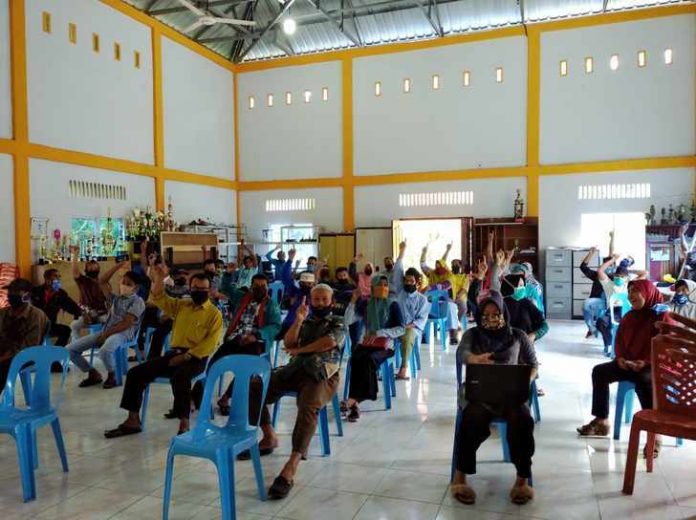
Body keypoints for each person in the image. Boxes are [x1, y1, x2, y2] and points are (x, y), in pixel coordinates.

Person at [245, 284, 345, 499]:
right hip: (296, 369)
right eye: (315, 299)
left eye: (323, 300)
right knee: (255, 385)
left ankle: (292, 464)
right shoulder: (305, 320)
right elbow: (289, 342)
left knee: (308, 405)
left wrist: (299, 350)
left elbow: (328, 342)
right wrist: (298, 321)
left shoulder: (338, 321)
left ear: (331, 301)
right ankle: (269, 435)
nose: (319, 303)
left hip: (322, 374)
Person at [104, 267, 223, 437]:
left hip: (196, 358)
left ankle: (184, 421)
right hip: (174, 354)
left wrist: (186, 356)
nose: (200, 292)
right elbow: (158, 297)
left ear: (209, 290)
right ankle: (132, 420)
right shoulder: (182, 305)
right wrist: (159, 276)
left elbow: (210, 343)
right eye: (196, 288)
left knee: (180, 377)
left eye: (204, 289)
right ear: (190, 288)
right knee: (135, 373)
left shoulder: (214, 314)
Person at [451, 291, 537, 506]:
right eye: (486, 313)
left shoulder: (518, 336)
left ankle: (521, 481)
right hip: (480, 396)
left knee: (523, 420)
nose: (490, 317)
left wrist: (524, 380)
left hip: (512, 396)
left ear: (503, 313)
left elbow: (533, 365)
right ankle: (460, 478)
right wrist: (474, 359)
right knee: (471, 419)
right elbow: (462, 353)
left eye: (495, 313)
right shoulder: (473, 334)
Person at [577, 280, 671, 458]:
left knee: (644, 380)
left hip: (655, 366)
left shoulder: (661, 316)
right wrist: (620, 358)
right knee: (599, 371)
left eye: (636, 291)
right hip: (629, 363)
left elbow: (666, 348)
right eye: (629, 292)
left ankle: (655, 433)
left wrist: (646, 362)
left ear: (648, 293)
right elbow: (619, 341)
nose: (631, 296)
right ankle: (602, 420)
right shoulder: (630, 316)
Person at [197, 274, 281, 414]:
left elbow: (275, 326)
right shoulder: (243, 297)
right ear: (251, 287)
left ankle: (226, 397)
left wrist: (256, 335)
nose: (260, 289)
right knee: (212, 364)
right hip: (235, 338)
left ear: (267, 287)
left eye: (263, 286)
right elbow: (226, 288)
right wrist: (229, 274)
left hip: (255, 341)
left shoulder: (271, 305)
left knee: (246, 369)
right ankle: (198, 396)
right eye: (256, 286)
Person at [67, 271, 146, 389]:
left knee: (104, 351)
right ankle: (93, 373)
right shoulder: (116, 299)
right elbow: (102, 281)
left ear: (136, 288)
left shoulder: (138, 301)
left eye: (128, 284)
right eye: (123, 282)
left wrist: (106, 334)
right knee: (70, 350)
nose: (123, 285)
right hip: (106, 331)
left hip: (123, 334)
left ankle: (112, 375)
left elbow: (126, 324)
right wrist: (118, 266)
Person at [341, 276, 405, 422]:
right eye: (379, 285)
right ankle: (355, 403)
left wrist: (380, 332)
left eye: (386, 285)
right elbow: (347, 321)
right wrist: (352, 301)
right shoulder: (366, 304)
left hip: (385, 346)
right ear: (372, 287)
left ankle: (352, 401)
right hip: (367, 344)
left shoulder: (393, 305)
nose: (383, 288)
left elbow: (401, 329)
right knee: (356, 358)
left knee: (368, 360)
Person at [0, 279, 49, 389]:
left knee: (3, 367)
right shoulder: (3, 313)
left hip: (25, 356)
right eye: (10, 292)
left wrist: (3, 357)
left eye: (16, 292)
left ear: (27, 296)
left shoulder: (36, 316)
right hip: (4, 352)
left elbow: (29, 347)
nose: (11, 295)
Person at [421, 243, 461, 345]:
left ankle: (453, 335)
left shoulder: (450, 276)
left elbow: (444, 286)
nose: (438, 268)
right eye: (436, 266)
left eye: (440, 266)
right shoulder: (432, 274)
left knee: (452, 307)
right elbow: (423, 266)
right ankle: (424, 335)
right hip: (431, 304)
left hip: (445, 304)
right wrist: (424, 253)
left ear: (444, 267)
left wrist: (431, 287)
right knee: (420, 306)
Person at [31, 268, 82, 347]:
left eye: (59, 277)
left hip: (49, 326)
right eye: (55, 276)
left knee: (66, 330)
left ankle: (56, 353)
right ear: (47, 279)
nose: (58, 279)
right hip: (34, 325)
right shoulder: (35, 292)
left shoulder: (61, 294)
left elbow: (71, 306)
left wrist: (79, 313)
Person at [395, 268, 429, 380]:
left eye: (411, 281)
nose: (408, 283)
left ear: (417, 282)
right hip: (397, 327)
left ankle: (403, 368)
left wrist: (406, 326)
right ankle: (379, 370)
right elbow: (397, 270)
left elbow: (420, 320)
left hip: (413, 329)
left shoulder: (422, 300)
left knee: (408, 334)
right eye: (406, 280)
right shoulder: (400, 294)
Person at [70, 246, 109, 341]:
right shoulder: (83, 281)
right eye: (90, 266)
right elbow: (75, 272)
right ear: (86, 270)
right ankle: (78, 346)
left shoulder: (103, 282)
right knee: (74, 326)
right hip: (86, 314)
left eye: (95, 265)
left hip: (101, 314)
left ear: (99, 269)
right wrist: (75, 255)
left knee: (109, 321)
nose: (93, 267)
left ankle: (103, 343)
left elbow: (109, 300)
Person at [500, 274, 549, 344]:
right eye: (520, 286)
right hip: (505, 347)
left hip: (525, 346)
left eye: (523, 286)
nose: (523, 288)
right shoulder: (500, 305)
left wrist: (534, 335)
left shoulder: (527, 304)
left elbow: (544, 325)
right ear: (510, 287)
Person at [579, 247, 610, 339]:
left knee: (602, 315)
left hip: (608, 302)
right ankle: (591, 328)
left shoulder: (614, 277)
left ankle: (600, 329)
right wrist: (591, 253)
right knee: (585, 304)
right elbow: (583, 267)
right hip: (595, 300)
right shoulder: (597, 275)